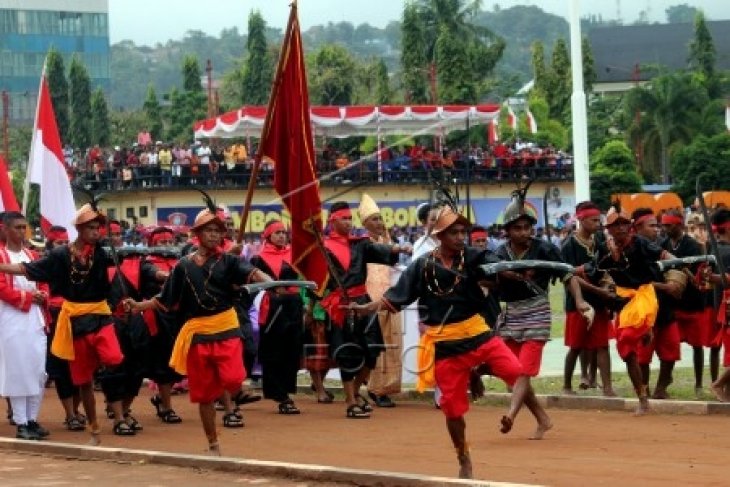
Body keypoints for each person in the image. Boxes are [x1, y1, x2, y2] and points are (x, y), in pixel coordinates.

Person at [350, 207, 546, 479]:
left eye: (463, 231)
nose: (460, 237)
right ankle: (463, 457)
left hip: (479, 336)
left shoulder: (474, 256)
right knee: (452, 411)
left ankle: (530, 413)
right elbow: (397, 296)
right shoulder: (423, 266)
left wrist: (506, 271)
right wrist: (368, 308)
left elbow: (494, 263)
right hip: (446, 346)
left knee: (517, 372)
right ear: (440, 236)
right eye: (454, 232)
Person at [125, 201, 273, 455]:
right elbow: (166, 299)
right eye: (209, 230)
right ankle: (213, 443)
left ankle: (232, 400)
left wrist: (270, 282)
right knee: (204, 395)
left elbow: (255, 273)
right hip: (197, 334)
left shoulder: (230, 261)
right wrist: (140, 305)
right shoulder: (183, 265)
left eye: (218, 230)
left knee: (233, 377)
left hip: (226, 328)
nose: (215, 234)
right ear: (198, 234)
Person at [0, 202, 126, 444]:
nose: (97, 232)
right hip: (71, 322)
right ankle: (92, 430)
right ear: (79, 229)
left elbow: (122, 264)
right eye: (91, 227)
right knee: (80, 379)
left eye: (99, 227)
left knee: (113, 360)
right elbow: (29, 271)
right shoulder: (59, 255)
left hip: (96, 317)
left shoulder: (102, 253)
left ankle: (36, 419)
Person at [318, 201, 402, 419]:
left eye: (349, 218)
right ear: (332, 220)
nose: (348, 222)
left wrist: (395, 248)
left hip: (363, 302)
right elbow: (318, 280)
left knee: (373, 351)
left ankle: (354, 393)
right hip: (340, 305)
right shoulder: (323, 247)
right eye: (343, 218)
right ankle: (350, 401)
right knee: (347, 354)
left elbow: (380, 251)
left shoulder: (360, 245)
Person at [495, 201, 589, 382]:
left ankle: (513, 412)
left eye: (527, 227)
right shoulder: (500, 253)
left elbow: (568, 276)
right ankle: (535, 411)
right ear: (507, 230)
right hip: (511, 313)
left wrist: (579, 300)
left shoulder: (545, 249)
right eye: (517, 228)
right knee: (512, 370)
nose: (523, 232)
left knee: (524, 371)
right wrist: (503, 273)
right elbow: (488, 281)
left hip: (538, 312)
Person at [598, 207, 675, 415]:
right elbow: (594, 268)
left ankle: (645, 328)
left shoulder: (639, 242)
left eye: (624, 223)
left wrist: (677, 261)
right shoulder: (605, 248)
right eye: (617, 225)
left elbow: (663, 253)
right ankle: (642, 397)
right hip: (624, 298)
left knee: (630, 334)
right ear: (609, 229)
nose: (622, 228)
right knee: (626, 350)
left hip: (644, 293)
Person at [0, 212, 50, 440]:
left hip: (35, 319)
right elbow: (2, 289)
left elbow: (45, 280)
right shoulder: (1, 256)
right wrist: (30, 298)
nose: (22, 232)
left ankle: (32, 419)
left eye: (24, 228)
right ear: (5, 229)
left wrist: (42, 295)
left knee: (38, 370)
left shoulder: (32, 254)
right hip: (11, 318)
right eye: (17, 227)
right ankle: (20, 422)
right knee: (18, 371)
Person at [561, 202, 616, 396]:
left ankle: (608, 387)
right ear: (581, 220)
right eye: (593, 220)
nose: (598, 224)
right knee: (576, 347)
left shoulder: (599, 242)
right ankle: (567, 385)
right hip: (578, 303)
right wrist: (598, 291)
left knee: (603, 345)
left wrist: (607, 288)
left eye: (598, 220)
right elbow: (568, 277)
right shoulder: (568, 244)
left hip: (599, 302)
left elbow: (605, 269)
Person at [249, 220, 304, 414]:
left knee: (292, 349)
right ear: (268, 236)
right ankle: (280, 395)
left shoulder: (295, 255)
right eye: (277, 233)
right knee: (274, 349)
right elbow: (251, 283)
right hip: (272, 305)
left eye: (284, 232)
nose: (282, 236)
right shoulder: (258, 258)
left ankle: (287, 391)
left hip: (294, 304)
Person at [660, 209, 716, 395]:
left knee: (697, 345)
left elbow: (699, 273)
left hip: (693, 303)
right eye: (664, 225)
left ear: (679, 225)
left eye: (669, 225)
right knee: (671, 346)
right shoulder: (663, 244)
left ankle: (699, 383)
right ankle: (666, 379)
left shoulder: (692, 245)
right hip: (673, 304)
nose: (665, 228)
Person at [630, 208, 683, 400]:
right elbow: (635, 281)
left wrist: (682, 276)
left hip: (666, 309)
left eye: (657, 225)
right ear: (638, 227)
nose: (657, 229)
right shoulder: (631, 248)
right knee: (643, 356)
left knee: (671, 352)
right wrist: (665, 287)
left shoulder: (660, 246)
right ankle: (643, 390)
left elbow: (675, 264)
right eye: (652, 225)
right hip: (644, 310)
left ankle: (661, 389)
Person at [359, 194, 404, 408]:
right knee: (377, 345)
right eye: (374, 219)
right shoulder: (362, 245)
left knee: (393, 343)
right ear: (364, 223)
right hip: (371, 301)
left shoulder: (389, 243)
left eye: (380, 218)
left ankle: (388, 387)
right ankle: (376, 388)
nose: (379, 223)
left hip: (392, 298)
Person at [43, 226, 86, 432]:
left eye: (65, 243)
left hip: (80, 317)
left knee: (80, 366)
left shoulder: (80, 263)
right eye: (59, 243)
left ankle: (76, 410)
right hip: (56, 317)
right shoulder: (45, 265)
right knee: (62, 369)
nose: (63, 246)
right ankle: (69, 414)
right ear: (50, 244)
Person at [143, 227, 184, 424]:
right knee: (164, 362)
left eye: (169, 241)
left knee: (179, 364)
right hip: (158, 318)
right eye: (162, 242)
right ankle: (167, 407)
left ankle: (161, 399)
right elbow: (157, 276)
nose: (166, 245)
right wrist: (173, 278)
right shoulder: (148, 264)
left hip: (180, 318)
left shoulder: (180, 263)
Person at [707, 208, 730, 402]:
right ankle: (718, 384)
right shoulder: (723, 251)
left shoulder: (716, 248)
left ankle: (727, 390)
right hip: (727, 307)